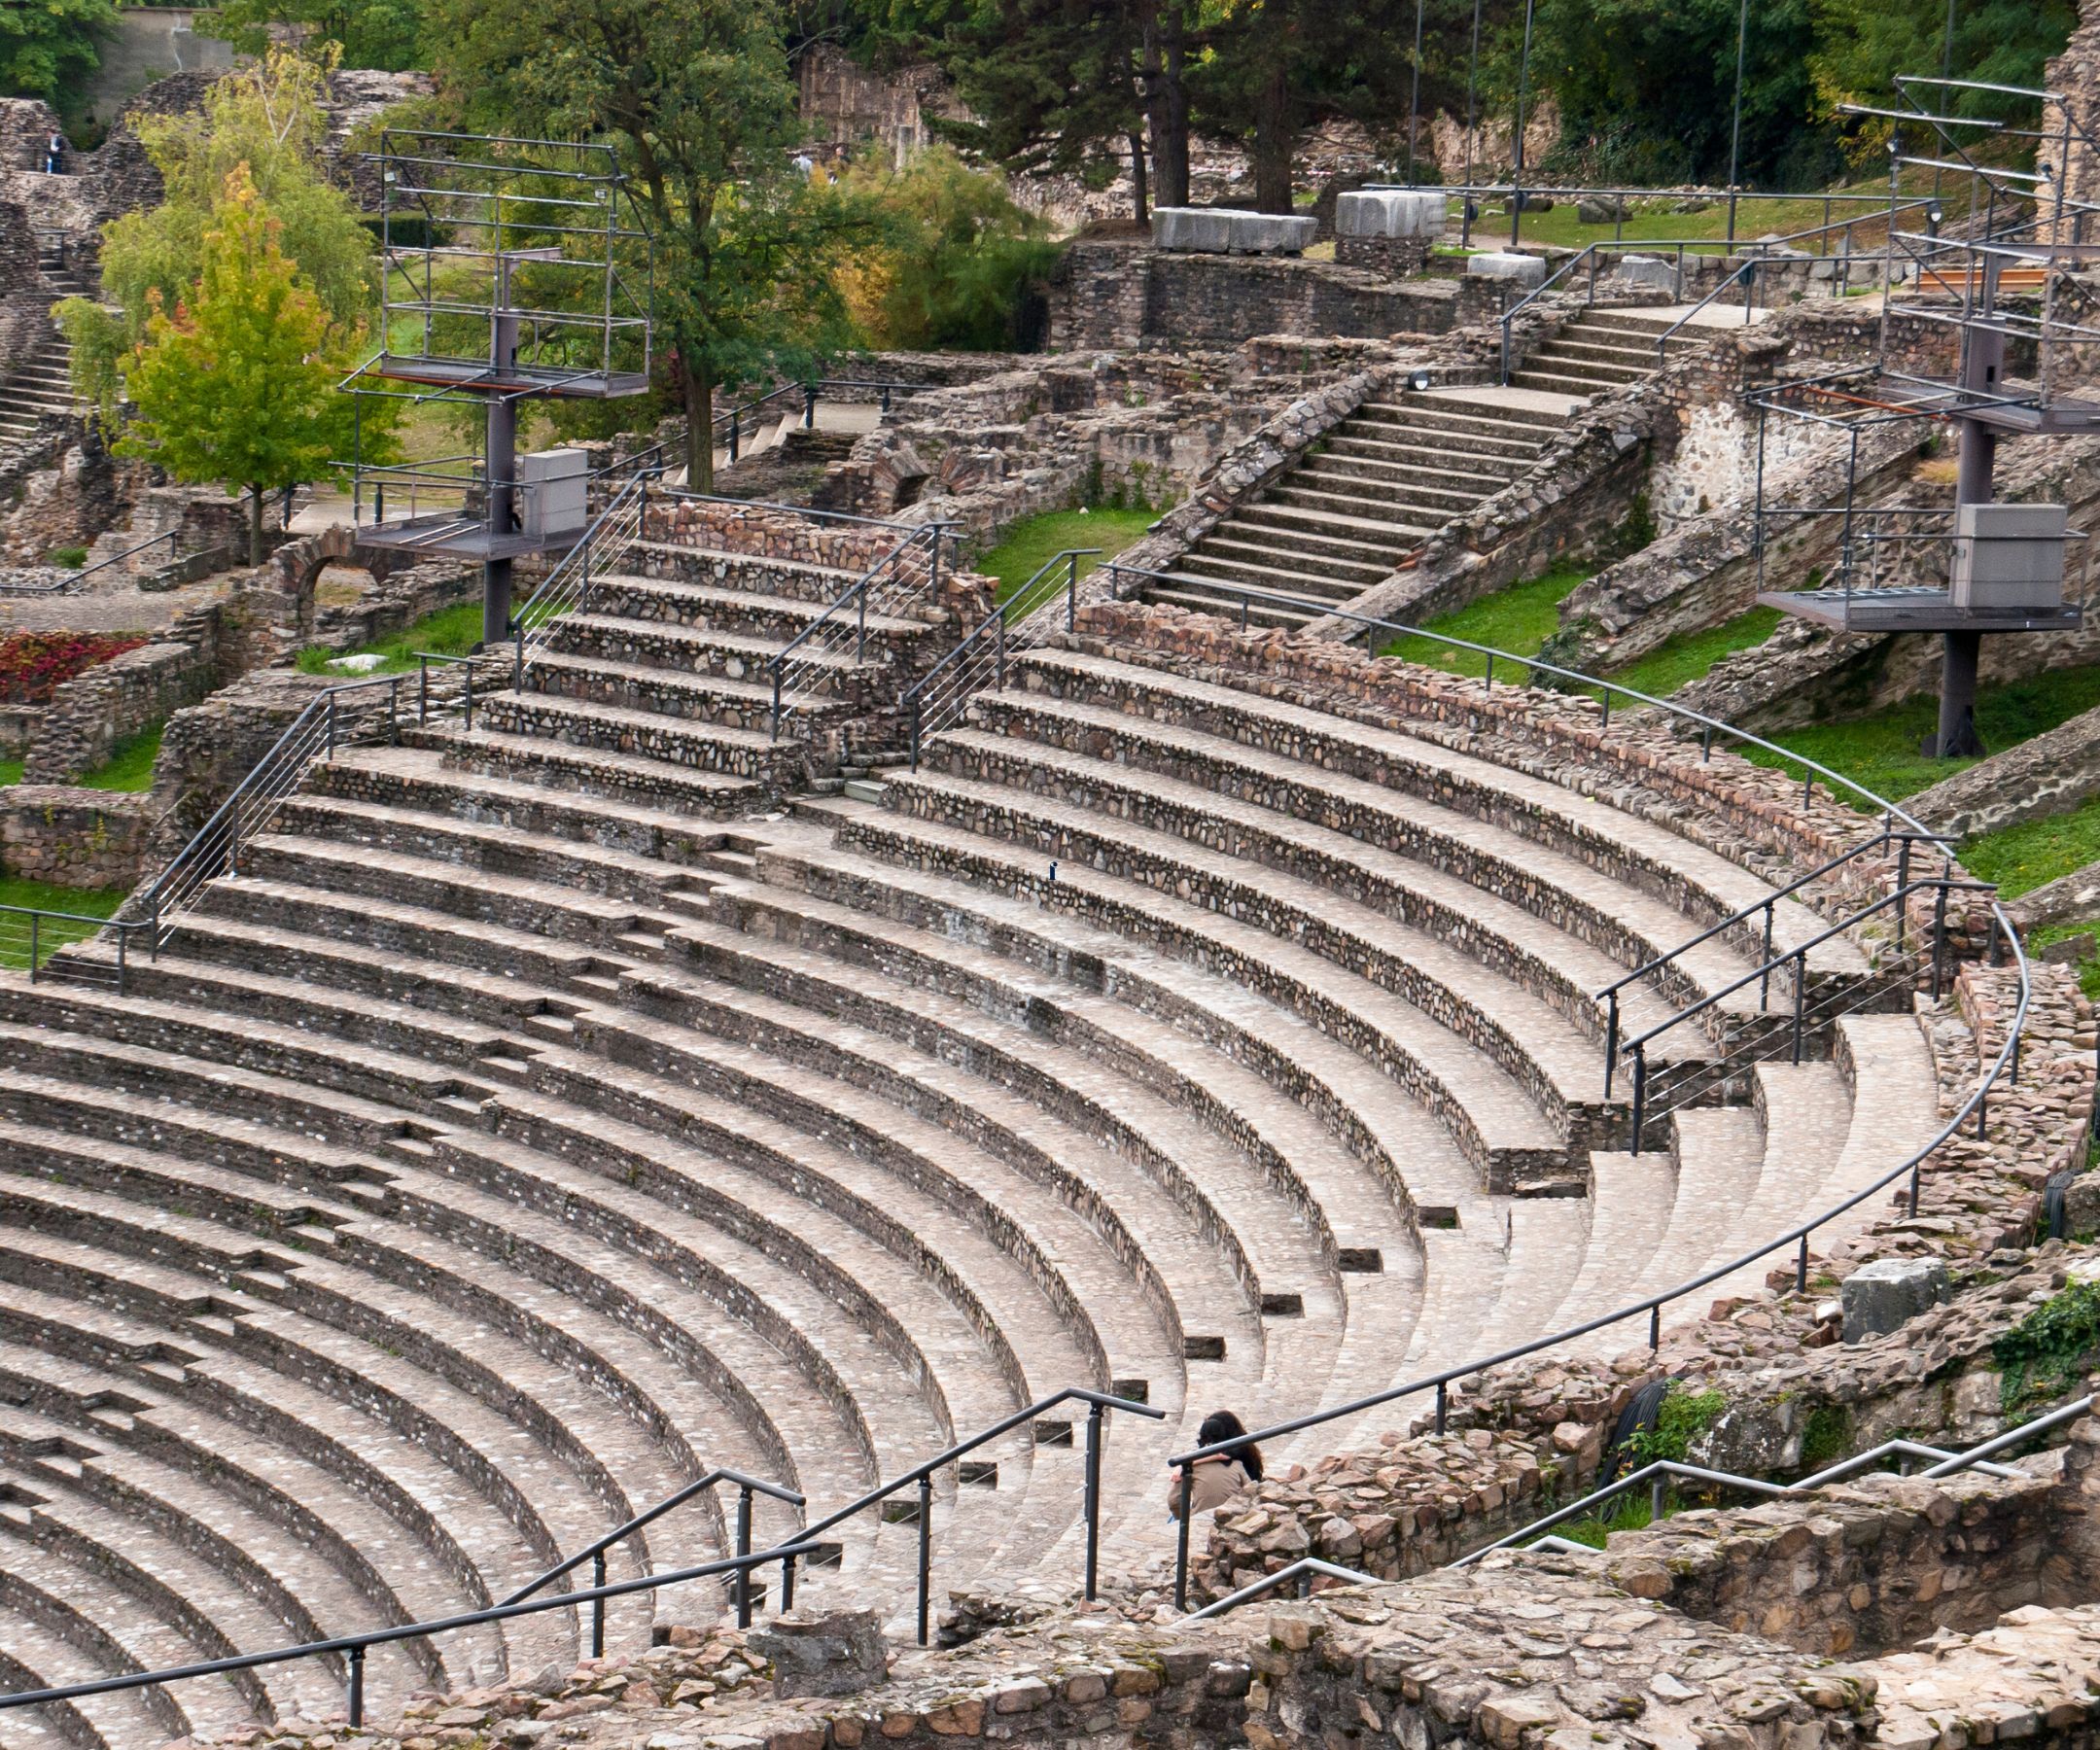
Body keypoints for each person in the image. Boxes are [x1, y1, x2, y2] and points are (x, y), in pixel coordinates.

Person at [1166, 1411, 1264, 1519]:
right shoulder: (1244, 1448)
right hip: (1234, 1509)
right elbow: (1251, 1489)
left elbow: (1173, 1500)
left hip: (1209, 1514)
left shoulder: (1237, 1452)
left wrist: (1185, 1464)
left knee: (1174, 1516)